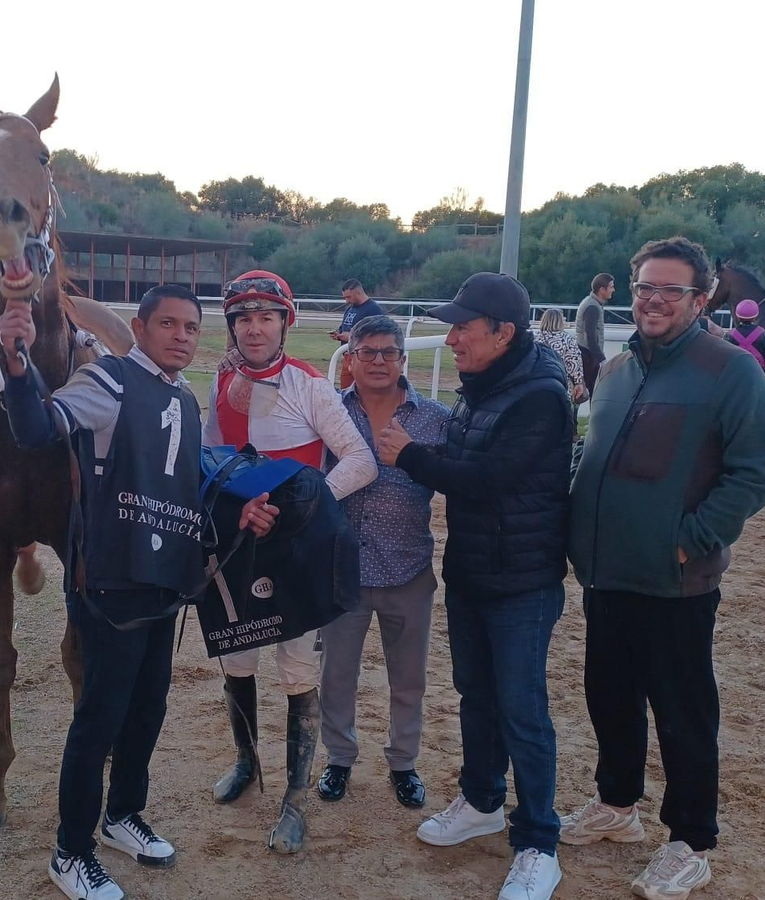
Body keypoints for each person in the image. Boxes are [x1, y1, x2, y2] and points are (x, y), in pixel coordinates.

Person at [0, 283, 278, 900]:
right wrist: (16, 365)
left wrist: (240, 511)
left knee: (148, 710)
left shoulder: (182, 396)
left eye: (191, 328)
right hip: (112, 585)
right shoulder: (109, 382)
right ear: (140, 327)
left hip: (164, 584)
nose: (182, 336)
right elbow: (38, 426)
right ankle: (70, 852)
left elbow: (187, 489)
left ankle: (122, 815)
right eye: (169, 324)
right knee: (99, 718)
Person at [563, 237, 765, 900]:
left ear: (701, 297)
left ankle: (692, 842)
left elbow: (755, 475)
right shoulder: (619, 370)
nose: (652, 299)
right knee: (609, 696)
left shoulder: (730, 371)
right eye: (644, 287)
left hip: (676, 581)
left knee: (684, 713)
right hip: (606, 572)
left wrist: (692, 539)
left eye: (670, 289)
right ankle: (618, 803)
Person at [376, 272, 574, 900]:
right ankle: (484, 800)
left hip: (521, 580)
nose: (452, 337)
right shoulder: (481, 385)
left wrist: (406, 454)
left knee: (522, 710)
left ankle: (539, 842)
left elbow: (487, 479)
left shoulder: (539, 395)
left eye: (463, 326)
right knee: (476, 696)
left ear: (503, 332)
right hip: (473, 571)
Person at [206, 268, 377, 854]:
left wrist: (305, 501)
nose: (254, 329)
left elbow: (361, 459)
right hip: (236, 546)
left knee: (297, 670)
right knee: (237, 660)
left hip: (295, 552)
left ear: (285, 322)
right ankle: (245, 762)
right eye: (243, 319)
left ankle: (295, 802)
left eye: (265, 317)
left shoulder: (309, 384)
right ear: (232, 325)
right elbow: (211, 460)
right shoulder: (221, 381)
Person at [317, 314, 449, 811]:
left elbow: (458, 476)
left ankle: (403, 762)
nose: (376, 360)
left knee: (409, 676)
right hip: (343, 568)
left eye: (387, 352)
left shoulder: (434, 417)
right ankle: (339, 757)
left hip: (408, 567)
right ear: (349, 359)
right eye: (365, 351)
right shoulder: (328, 412)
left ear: (402, 359)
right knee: (336, 673)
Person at [330, 279, 386, 389]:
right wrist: (338, 334)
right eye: (345, 297)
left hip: (364, 361)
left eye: (349, 297)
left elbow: (378, 336)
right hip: (347, 359)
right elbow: (344, 328)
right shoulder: (349, 309)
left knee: (364, 395)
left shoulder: (374, 310)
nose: (346, 301)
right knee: (346, 396)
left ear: (358, 293)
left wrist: (351, 337)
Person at [576, 273, 613, 399]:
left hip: (586, 354)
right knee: (595, 391)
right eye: (611, 287)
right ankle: (594, 418)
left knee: (583, 391)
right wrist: (602, 359)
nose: (613, 290)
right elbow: (591, 337)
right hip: (588, 355)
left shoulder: (591, 303)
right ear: (602, 289)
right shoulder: (592, 307)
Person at [535, 309, 586, 403]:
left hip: (536, 383)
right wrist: (578, 383)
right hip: (560, 385)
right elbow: (574, 364)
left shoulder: (534, 338)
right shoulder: (567, 340)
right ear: (560, 321)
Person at [728, 299, 765, 374]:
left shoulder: (729, 334)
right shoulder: (764, 334)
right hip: (759, 373)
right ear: (755, 317)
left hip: (735, 373)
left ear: (738, 317)